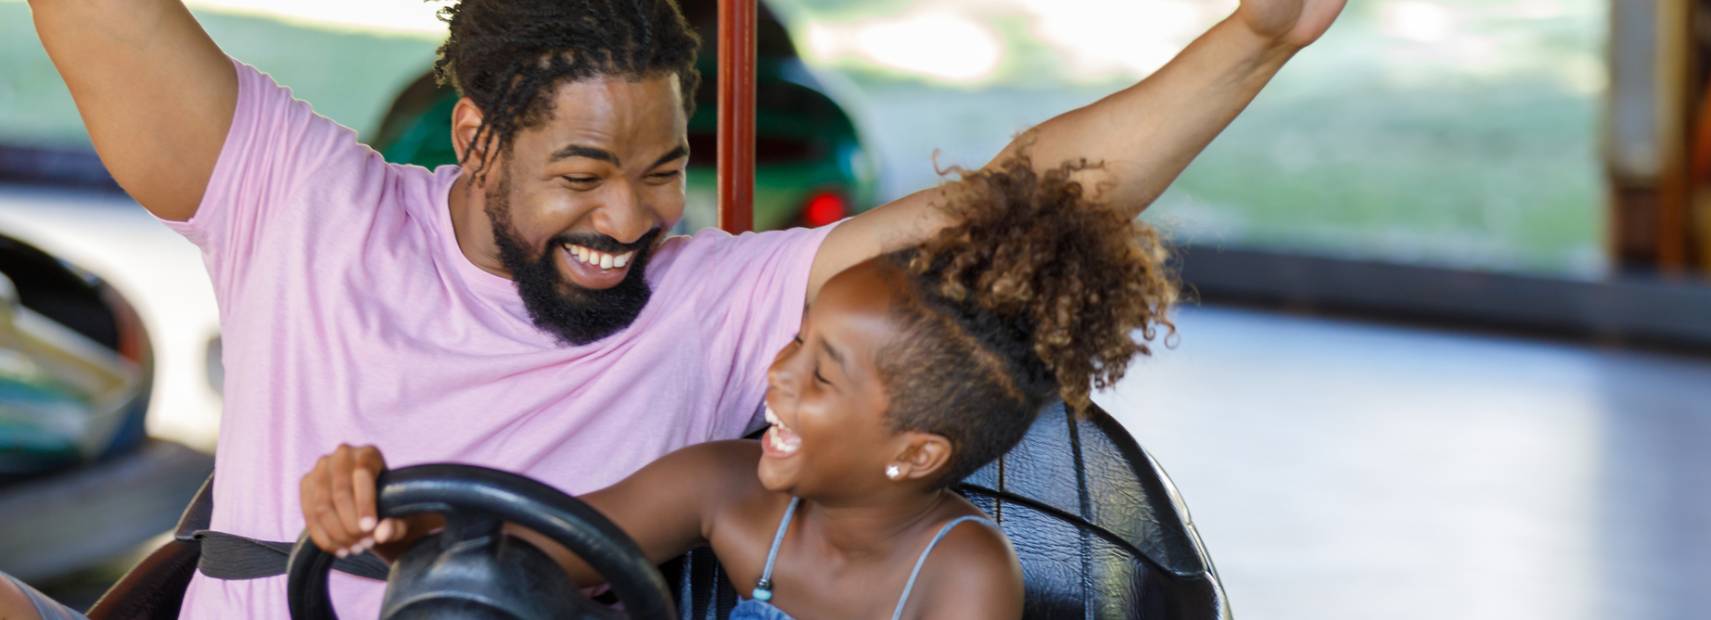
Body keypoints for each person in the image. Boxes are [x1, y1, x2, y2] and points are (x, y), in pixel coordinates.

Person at [23, 0, 1342, 614]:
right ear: (477, 137)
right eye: (582, 177)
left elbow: (1017, 204)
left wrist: (1256, 41)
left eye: (663, 172)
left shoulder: (719, 302)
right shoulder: (301, 204)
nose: (631, 220)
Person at [300, 153, 1175, 619]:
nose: (778, 376)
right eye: (796, 342)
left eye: (821, 373)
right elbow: (524, 555)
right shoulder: (722, 486)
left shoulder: (964, 576)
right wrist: (394, 520)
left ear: (916, 452)